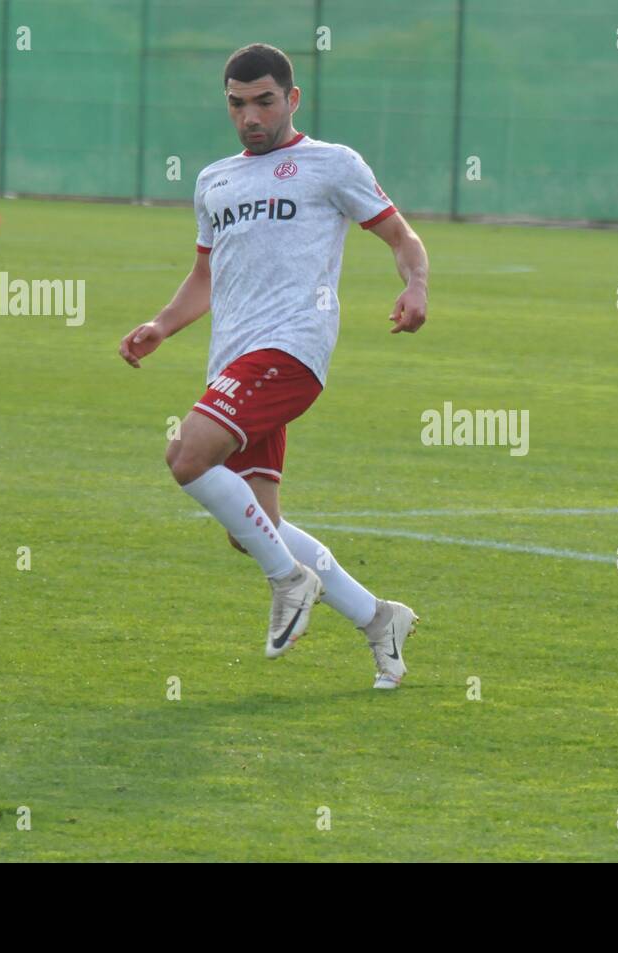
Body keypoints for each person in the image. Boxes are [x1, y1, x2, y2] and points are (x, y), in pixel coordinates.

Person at [118, 43, 430, 690]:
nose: (251, 115)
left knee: (185, 455)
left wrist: (416, 284)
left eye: (264, 101)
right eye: (237, 103)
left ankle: (290, 581)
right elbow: (206, 274)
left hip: (292, 349)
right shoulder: (215, 179)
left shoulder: (331, 164)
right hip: (233, 360)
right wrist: (161, 324)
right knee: (257, 525)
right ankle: (379, 619)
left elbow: (400, 235)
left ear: (292, 99)